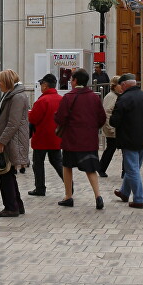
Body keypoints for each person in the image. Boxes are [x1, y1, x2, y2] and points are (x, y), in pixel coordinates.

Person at [54, 68, 107, 210]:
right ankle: (98, 196)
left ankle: (68, 196)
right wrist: (93, 128)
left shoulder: (68, 97)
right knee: (90, 169)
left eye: (71, 79)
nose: (70, 82)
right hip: (89, 140)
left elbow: (60, 118)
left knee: (67, 166)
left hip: (71, 139)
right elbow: (102, 117)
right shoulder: (94, 97)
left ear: (75, 80)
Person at [0, 70, 31, 218]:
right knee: (8, 173)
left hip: (12, 141)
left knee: (5, 173)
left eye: (0, 81)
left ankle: (11, 207)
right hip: (10, 141)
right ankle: (17, 205)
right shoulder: (12, 95)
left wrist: (1, 141)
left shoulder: (17, 97)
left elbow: (13, 123)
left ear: (7, 81)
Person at [109, 74, 143, 209]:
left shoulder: (123, 99)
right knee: (134, 168)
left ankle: (139, 199)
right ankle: (124, 192)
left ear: (124, 85)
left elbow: (115, 121)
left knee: (132, 169)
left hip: (129, 139)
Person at [26, 74, 64, 198]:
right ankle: (69, 184)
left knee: (38, 164)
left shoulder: (42, 100)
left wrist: (29, 113)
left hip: (41, 138)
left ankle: (40, 188)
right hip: (56, 137)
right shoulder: (60, 99)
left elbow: (33, 118)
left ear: (45, 85)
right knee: (58, 163)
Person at [99, 76, 121, 178]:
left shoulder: (117, 96)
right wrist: (110, 128)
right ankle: (101, 168)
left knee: (111, 148)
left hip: (115, 128)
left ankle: (101, 168)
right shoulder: (110, 97)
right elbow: (107, 114)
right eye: (119, 85)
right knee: (110, 148)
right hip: (111, 129)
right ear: (114, 86)